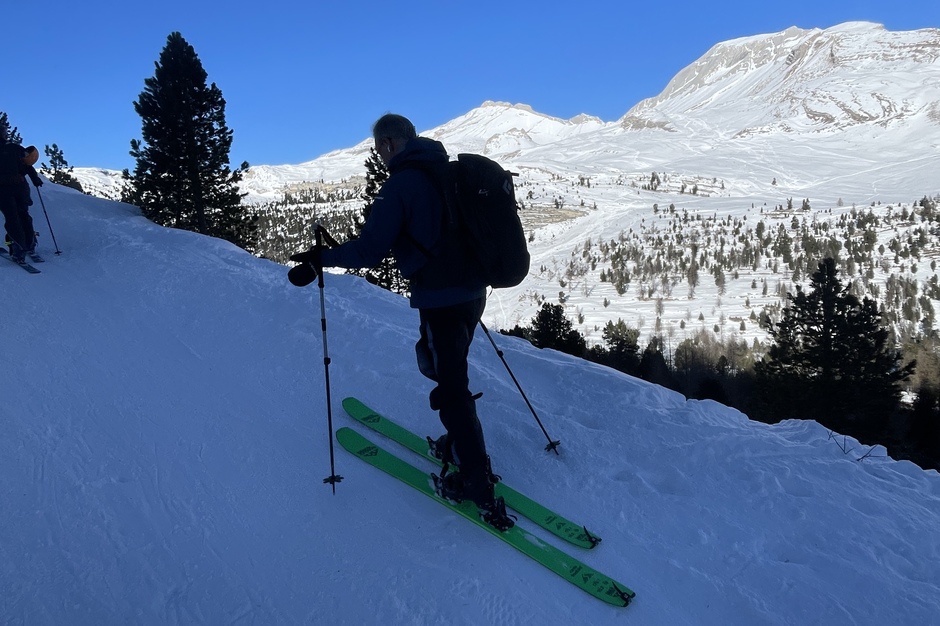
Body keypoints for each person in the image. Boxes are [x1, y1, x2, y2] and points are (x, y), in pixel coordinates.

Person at [289, 114, 513, 530]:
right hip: (472, 294)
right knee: (451, 371)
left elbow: (370, 251)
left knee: (450, 386)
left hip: (441, 298)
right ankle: (459, 445)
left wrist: (322, 258)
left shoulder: (402, 185)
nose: (379, 155)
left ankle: (475, 481)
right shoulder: (448, 171)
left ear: (389, 144)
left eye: (379, 148)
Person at [0, 144, 42, 263]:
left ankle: (18, 249)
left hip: (4, 190)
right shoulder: (15, 147)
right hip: (21, 188)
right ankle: (30, 244)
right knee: (23, 215)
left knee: (12, 218)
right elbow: (28, 165)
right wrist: (35, 179)